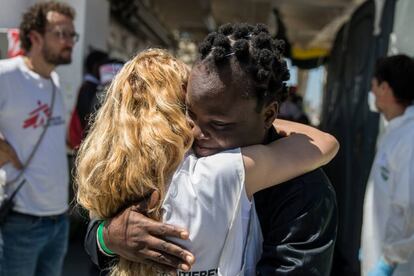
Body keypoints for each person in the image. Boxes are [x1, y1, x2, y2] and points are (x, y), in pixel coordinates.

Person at [84, 23, 338, 275]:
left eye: (219, 124)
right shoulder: (174, 156)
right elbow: (98, 238)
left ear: (269, 114)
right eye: (190, 114)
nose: (196, 133)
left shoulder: (303, 190)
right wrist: (108, 237)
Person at [0, 2, 77, 275]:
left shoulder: (54, 81)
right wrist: (5, 150)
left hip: (58, 221)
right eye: (61, 34)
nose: (69, 42)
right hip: (21, 221)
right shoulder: (6, 74)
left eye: (72, 35)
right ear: (35, 37)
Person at [361, 54, 414, 276]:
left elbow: (408, 206)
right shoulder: (394, 130)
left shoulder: (409, 136)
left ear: (384, 87)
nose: (371, 92)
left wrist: (388, 261)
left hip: (395, 266)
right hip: (378, 252)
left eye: (373, 85)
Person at [68, 49, 108, 150]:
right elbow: (87, 118)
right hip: (85, 146)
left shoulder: (90, 87)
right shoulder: (89, 88)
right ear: (96, 67)